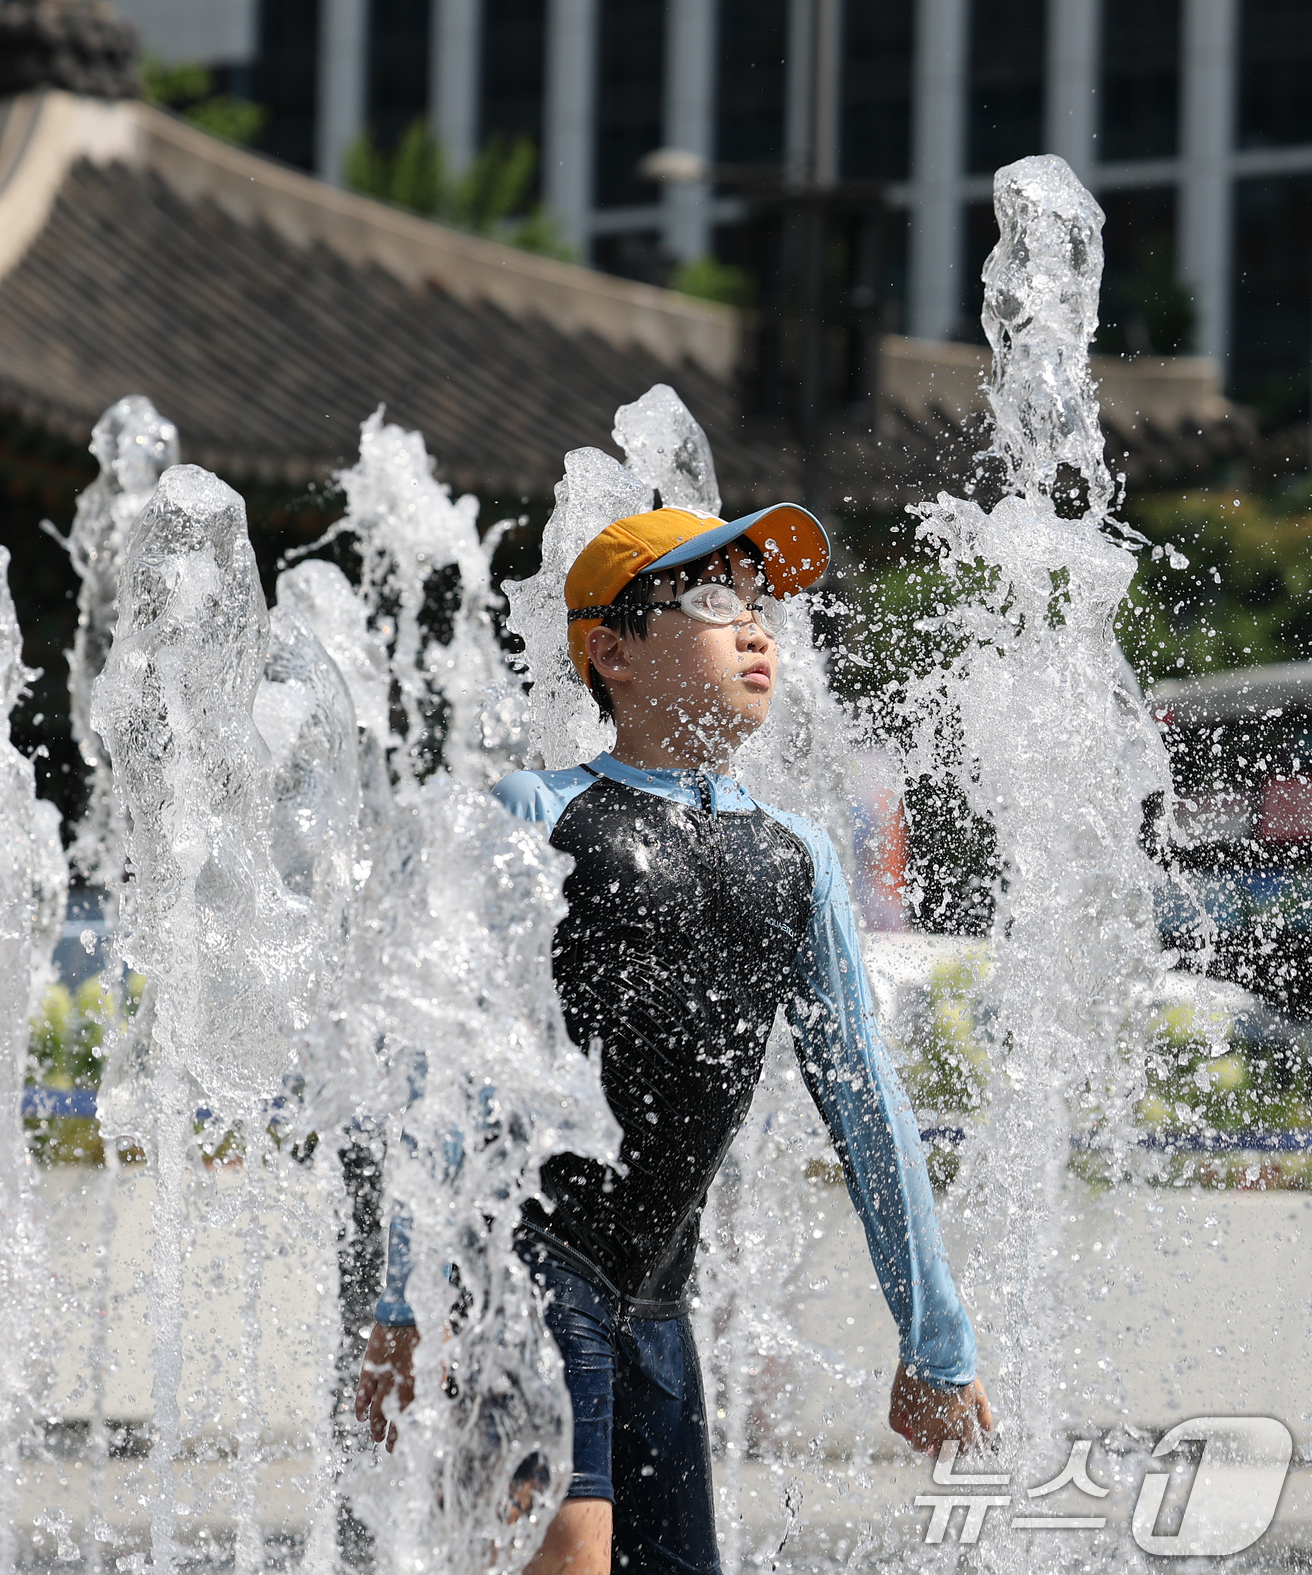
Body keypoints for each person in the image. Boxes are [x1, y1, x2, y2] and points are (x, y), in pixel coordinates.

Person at [356, 503, 992, 1574]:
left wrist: (935, 1338)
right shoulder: (540, 812)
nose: (751, 630)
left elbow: (867, 1107)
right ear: (611, 651)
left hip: (656, 1300)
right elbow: (444, 1069)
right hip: (525, 1268)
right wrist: (400, 1302)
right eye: (708, 601)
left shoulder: (796, 856)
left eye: (759, 604)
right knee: (569, 1542)